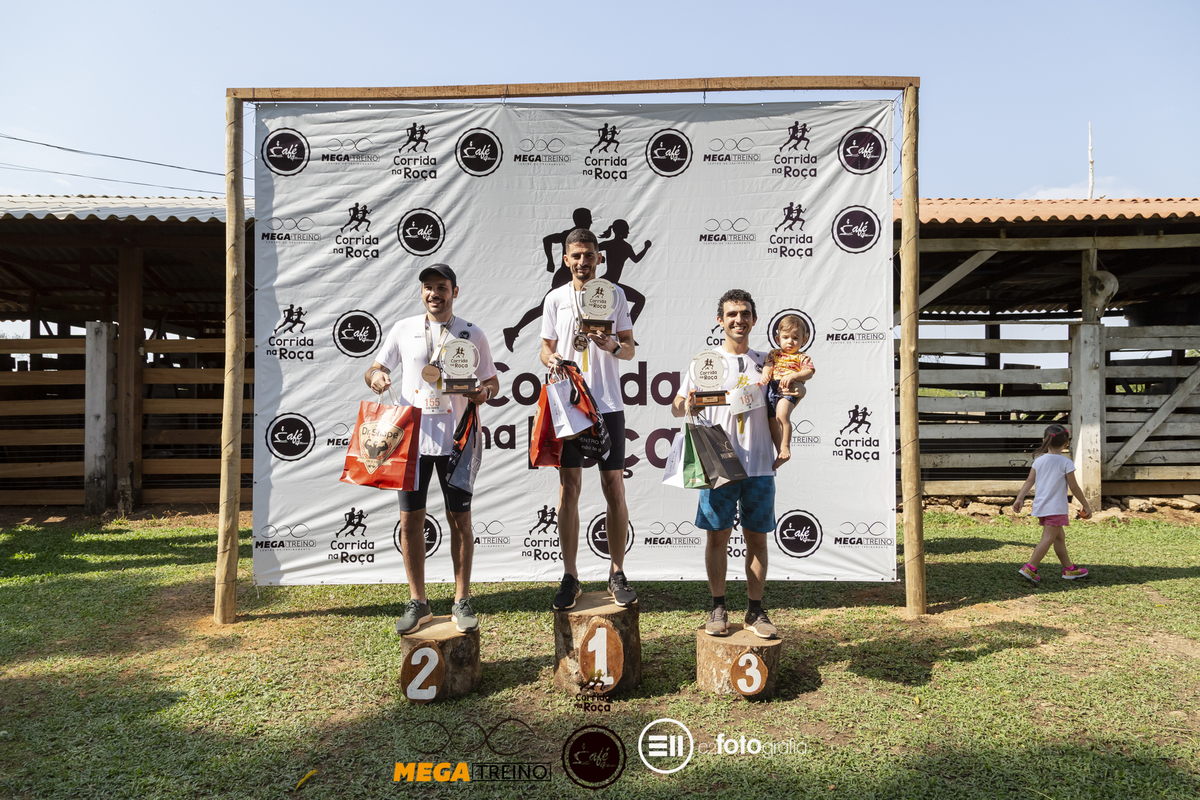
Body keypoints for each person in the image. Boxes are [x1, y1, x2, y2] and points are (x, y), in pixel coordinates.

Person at [364, 264, 500, 635]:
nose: (433, 294)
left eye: (441, 287)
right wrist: (377, 377)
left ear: (455, 291)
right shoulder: (403, 329)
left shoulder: (471, 333)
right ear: (421, 291)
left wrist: (484, 393)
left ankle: (462, 599)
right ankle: (418, 601)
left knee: (461, 521)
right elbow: (374, 368)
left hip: (458, 440)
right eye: (428, 287)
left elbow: (492, 381)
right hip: (411, 441)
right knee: (410, 520)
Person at [672, 289, 784, 639]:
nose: (739, 320)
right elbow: (677, 406)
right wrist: (688, 404)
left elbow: (790, 395)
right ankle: (718, 606)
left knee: (758, 540)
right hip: (717, 463)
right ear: (720, 320)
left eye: (745, 313)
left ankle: (755, 611)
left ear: (754, 319)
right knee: (717, 537)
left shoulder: (768, 362)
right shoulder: (705, 362)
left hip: (759, 465)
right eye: (732, 314)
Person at [541, 228, 638, 610]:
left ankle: (617, 572)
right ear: (566, 259)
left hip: (607, 404)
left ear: (599, 258)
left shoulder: (615, 295)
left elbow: (629, 349)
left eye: (589, 255)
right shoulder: (555, 299)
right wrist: (551, 359)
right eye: (576, 255)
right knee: (569, 488)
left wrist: (612, 345)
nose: (583, 261)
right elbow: (545, 348)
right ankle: (570, 576)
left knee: (614, 487)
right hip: (570, 403)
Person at [1011, 424, 1092, 584]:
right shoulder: (1066, 462)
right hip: (1056, 508)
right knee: (1048, 538)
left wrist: (1019, 498)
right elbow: (1074, 486)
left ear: (1045, 440)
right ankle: (1030, 567)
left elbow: (1029, 481)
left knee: (1059, 538)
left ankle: (1069, 569)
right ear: (1066, 443)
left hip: (1042, 507)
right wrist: (1086, 505)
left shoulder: (1039, 461)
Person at [759, 314, 814, 469]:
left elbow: (809, 372)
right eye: (785, 337)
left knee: (782, 416)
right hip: (772, 389)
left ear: (804, 340)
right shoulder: (774, 353)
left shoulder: (802, 357)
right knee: (772, 421)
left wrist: (794, 376)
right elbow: (768, 365)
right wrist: (765, 374)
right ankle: (780, 452)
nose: (790, 341)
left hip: (788, 390)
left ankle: (785, 447)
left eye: (795, 338)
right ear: (778, 339)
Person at [598, 219, 650, 325]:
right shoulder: (625, 247)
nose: (628, 233)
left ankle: (626, 327)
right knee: (640, 300)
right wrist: (646, 248)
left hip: (608, 282)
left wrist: (600, 258)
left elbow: (591, 249)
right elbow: (636, 259)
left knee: (639, 300)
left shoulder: (610, 244)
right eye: (627, 230)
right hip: (609, 283)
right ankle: (626, 327)